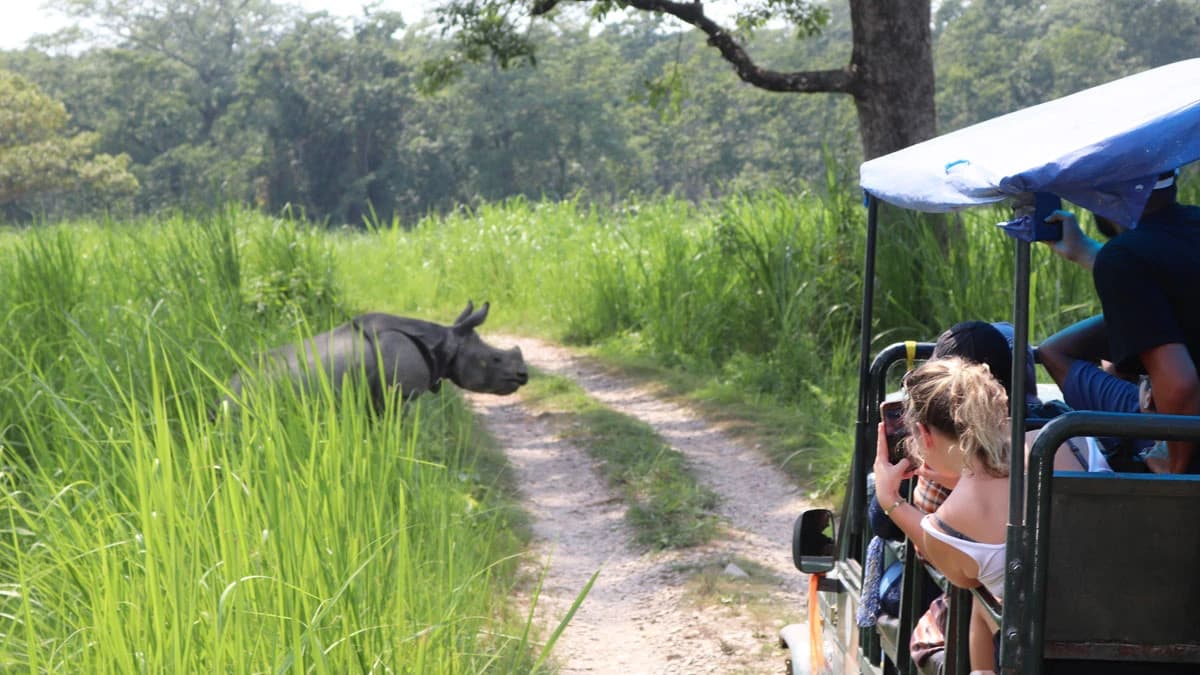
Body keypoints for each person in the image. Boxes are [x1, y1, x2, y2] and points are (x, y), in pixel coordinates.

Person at [873, 358, 1085, 673]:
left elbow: (961, 577)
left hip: (1044, 655)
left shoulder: (950, 524)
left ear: (923, 433)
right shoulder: (1067, 441)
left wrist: (888, 499)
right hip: (1128, 621)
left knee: (979, 594)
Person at [1044, 169, 1200, 473]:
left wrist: (1175, 470)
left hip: (1188, 436)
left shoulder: (1123, 257)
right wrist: (1089, 253)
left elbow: (1180, 386)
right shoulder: (1191, 225)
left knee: (1053, 351)